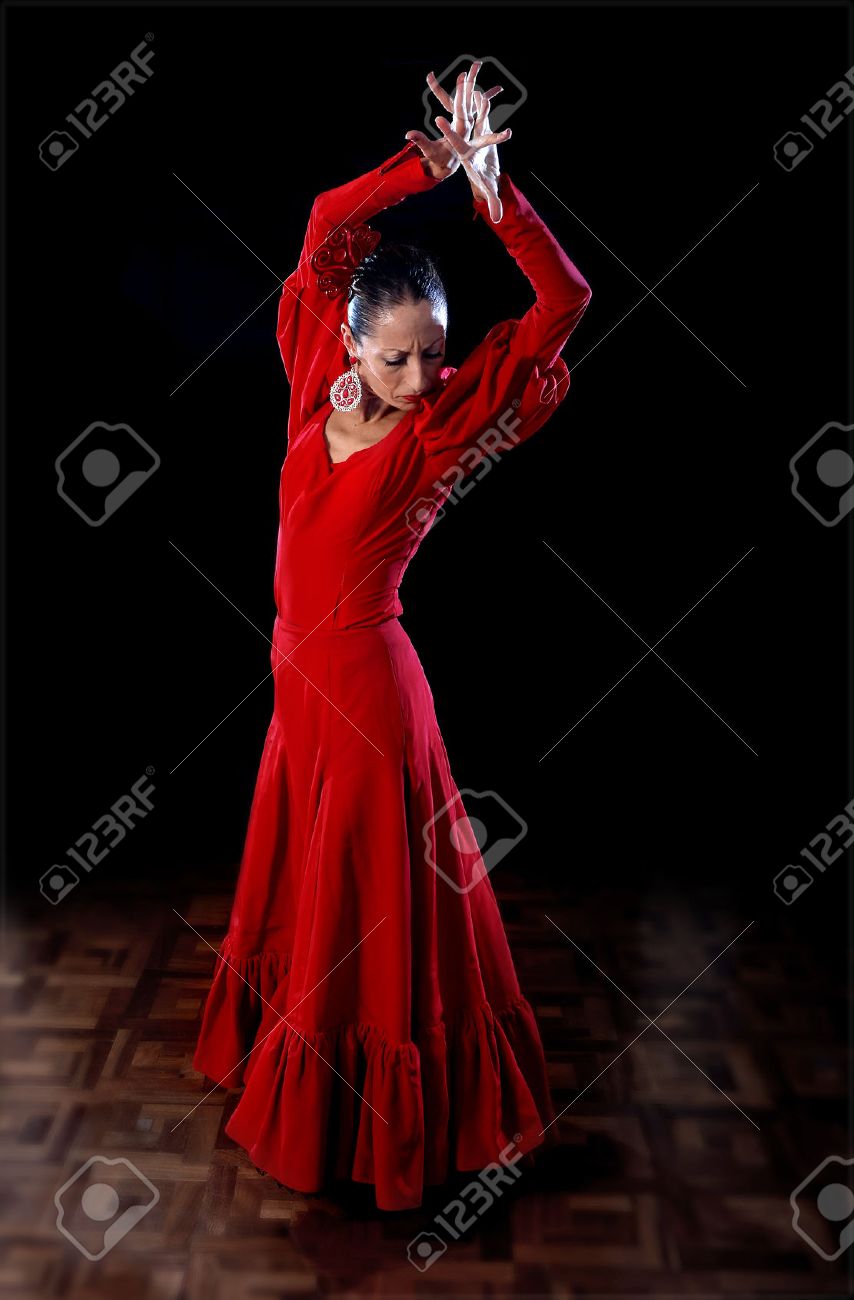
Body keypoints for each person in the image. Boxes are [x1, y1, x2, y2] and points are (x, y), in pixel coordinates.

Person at [192, 61, 592, 1212]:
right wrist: (424, 160)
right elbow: (328, 223)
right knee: (305, 899)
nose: (420, 376)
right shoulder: (312, 367)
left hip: (371, 702)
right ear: (352, 338)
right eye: (398, 353)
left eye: (433, 353)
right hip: (298, 702)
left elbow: (563, 302)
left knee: (368, 927)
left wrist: (491, 187)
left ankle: (364, 1135)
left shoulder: (438, 429)